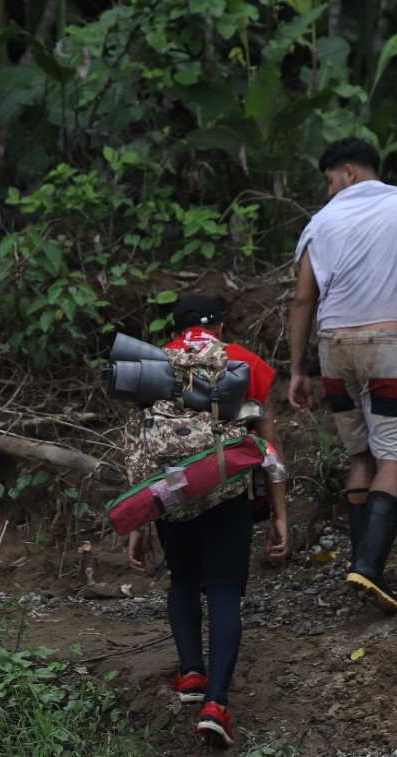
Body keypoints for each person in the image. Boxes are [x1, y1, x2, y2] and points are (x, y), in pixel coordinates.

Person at [287, 137, 397, 614]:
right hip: (391, 347)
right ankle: (369, 567)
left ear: (350, 172)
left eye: (330, 181)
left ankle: (361, 563)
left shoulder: (321, 223)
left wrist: (298, 368)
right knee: (395, 457)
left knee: (360, 453)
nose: (329, 191)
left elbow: (303, 300)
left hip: (334, 348)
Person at [125, 294, 290, 749]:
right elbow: (267, 443)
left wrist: (138, 523)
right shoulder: (243, 361)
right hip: (228, 493)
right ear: (219, 324)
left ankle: (191, 674)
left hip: (172, 494)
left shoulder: (152, 364)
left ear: (175, 328)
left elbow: (140, 445)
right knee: (222, 589)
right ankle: (216, 704)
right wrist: (280, 514)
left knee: (182, 579)